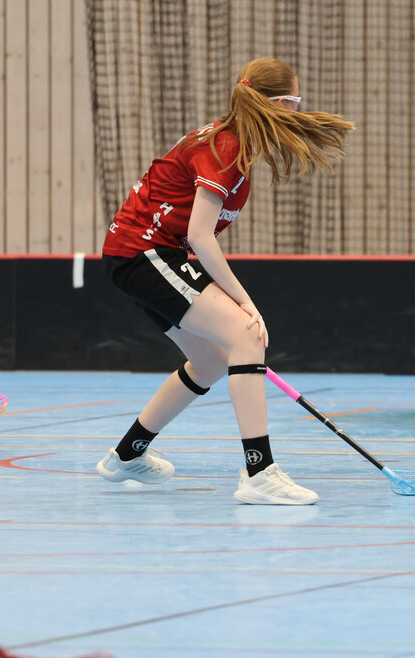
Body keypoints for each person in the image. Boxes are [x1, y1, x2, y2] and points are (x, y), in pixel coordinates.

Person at [98, 58, 353, 505]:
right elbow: (200, 235)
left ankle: (127, 455)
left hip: (145, 254)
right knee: (246, 335)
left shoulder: (234, 144)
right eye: (295, 102)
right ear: (280, 103)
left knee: (213, 362)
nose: (297, 111)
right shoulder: (227, 148)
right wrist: (245, 302)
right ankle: (260, 473)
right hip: (143, 253)